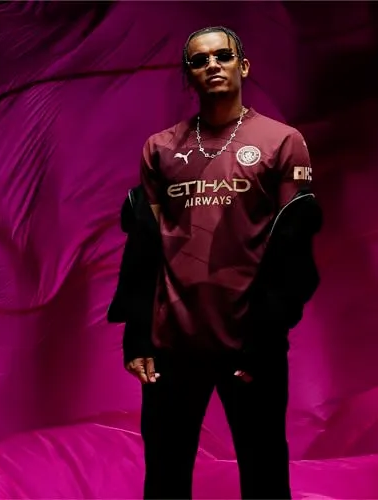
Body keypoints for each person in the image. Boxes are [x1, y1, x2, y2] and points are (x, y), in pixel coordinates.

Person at [110, 26, 322, 500]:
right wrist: (137, 334)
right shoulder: (160, 148)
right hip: (172, 341)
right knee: (165, 478)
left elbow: (293, 248)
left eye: (223, 56)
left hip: (250, 342)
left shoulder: (282, 141)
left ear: (242, 66)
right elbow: (144, 246)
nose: (212, 65)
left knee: (265, 474)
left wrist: (266, 335)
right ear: (188, 75)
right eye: (199, 60)